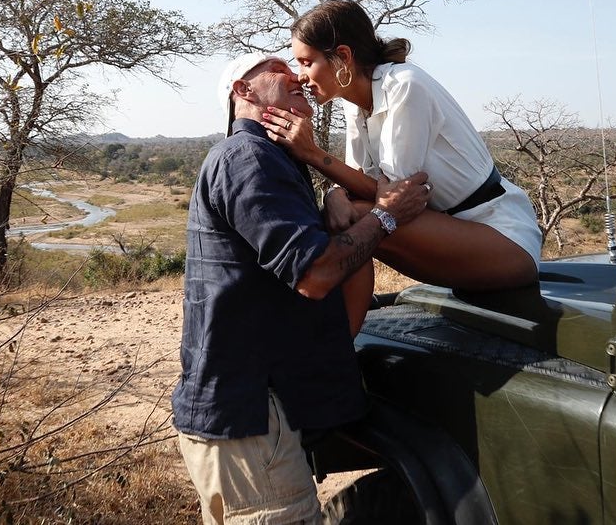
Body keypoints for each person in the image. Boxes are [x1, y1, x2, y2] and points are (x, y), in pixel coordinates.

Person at [171, 52, 429, 525]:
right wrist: (388, 213)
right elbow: (315, 275)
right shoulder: (247, 158)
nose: (295, 75)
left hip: (253, 418)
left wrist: (333, 201)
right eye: (276, 69)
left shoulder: (268, 160)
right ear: (243, 92)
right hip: (249, 421)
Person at [261, 0, 542, 293]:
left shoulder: (405, 85)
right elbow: (360, 180)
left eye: (306, 62)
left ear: (342, 56)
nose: (300, 76)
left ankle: (341, 338)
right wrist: (334, 194)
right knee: (342, 213)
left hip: (501, 236)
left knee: (355, 218)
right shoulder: (354, 103)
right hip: (449, 232)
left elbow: (397, 198)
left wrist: (312, 154)